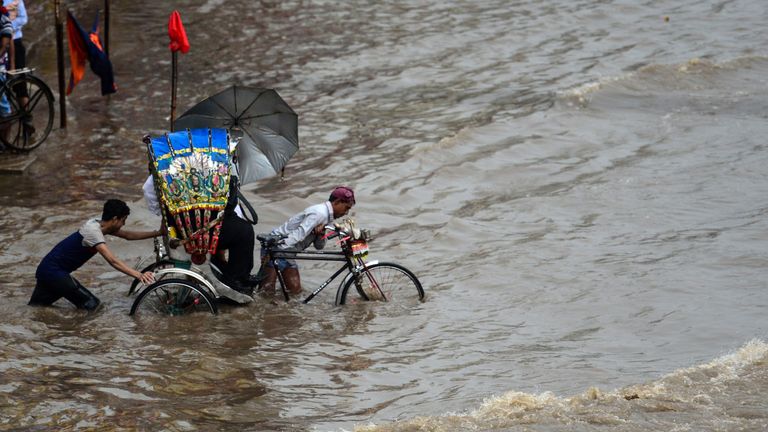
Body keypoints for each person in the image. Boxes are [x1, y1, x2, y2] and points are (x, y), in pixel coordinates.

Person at [29, 199, 161, 311]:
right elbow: (112, 261)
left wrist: (158, 233)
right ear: (115, 219)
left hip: (48, 270)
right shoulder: (93, 232)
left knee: (37, 308)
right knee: (92, 305)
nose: (124, 224)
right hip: (54, 272)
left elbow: (128, 235)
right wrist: (139, 275)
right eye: (123, 220)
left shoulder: (99, 225)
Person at [142, 174, 257, 294]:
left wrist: (163, 212)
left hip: (179, 224)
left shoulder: (166, 168)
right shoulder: (213, 163)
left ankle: (225, 274)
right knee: (245, 231)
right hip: (200, 229)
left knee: (236, 228)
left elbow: (148, 189)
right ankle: (238, 281)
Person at [259, 186, 356, 296]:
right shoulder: (319, 213)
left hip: (288, 251)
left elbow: (319, 246)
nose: (346, 212)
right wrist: (274, 252)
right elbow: (299, 234)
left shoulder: (328, 218)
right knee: (266, 291)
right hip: (279, 246)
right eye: (346, 208)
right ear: (337, 202)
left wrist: (321, 233)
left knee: (294, 292)